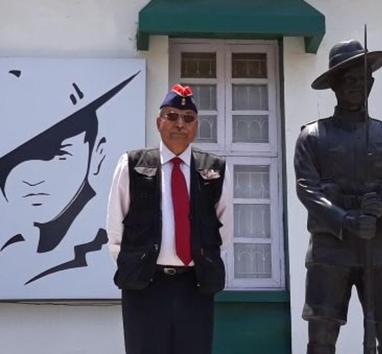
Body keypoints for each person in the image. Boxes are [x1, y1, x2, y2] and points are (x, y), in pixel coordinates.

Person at [294, 39, 382, 354]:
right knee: (321, 335)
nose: (355, 85)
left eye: (361, 79)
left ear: (371, 83)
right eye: (347, 79)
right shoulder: (312, 136)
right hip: (330, 248)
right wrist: (346, 220)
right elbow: (307, 188)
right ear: (333, 85)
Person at [106, 84, 227, 354]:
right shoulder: (133, 164)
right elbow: (115, 231)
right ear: (158, 122)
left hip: (194, 286)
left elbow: (223, 230)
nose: (180, 124)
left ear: (196, 125)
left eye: (188, 118)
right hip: (146, 286)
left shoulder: (214, 169)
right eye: (172, 116)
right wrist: (139, 264)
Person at [0, 64, 139, 286]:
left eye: (58, 154)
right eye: (13, 160)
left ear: (97, 155)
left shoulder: (100, 251)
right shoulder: (12, 248)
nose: (32, 176)